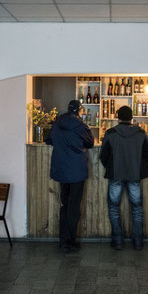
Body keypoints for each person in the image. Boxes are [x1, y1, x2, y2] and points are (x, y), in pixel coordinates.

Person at [99, 105, 148, 251]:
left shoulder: (110, 133)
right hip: (134, 175)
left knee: (113, 207)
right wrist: (137, 166)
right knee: (137, 208)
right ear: (131, 118)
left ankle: (117, 241)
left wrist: (111, 167)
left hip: (116, 175)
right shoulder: (141, 133)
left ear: (118, 118)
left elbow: (103, 155)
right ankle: (138, 242)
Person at [45, 100, 94, 253]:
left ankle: (63, 241)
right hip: (77, 171)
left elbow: (48, 139)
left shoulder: (57, 122)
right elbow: (90, 143)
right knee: (74, 207)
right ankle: (70, 243)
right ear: (79, 110)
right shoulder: (80, 125)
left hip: (61, 170)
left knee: (65, 205)